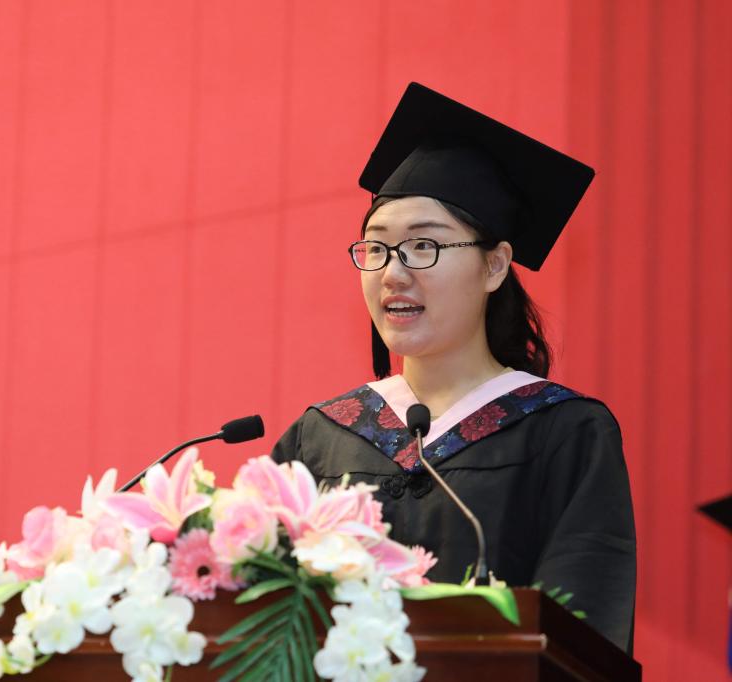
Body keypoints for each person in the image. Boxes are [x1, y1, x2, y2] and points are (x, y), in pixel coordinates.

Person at [271, 83, 636, 653]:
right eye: (376, 248)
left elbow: (581, 636)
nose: (393, 273)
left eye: (425, 246)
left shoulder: (565, 433)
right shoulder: (320, 438)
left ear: (495, 266)